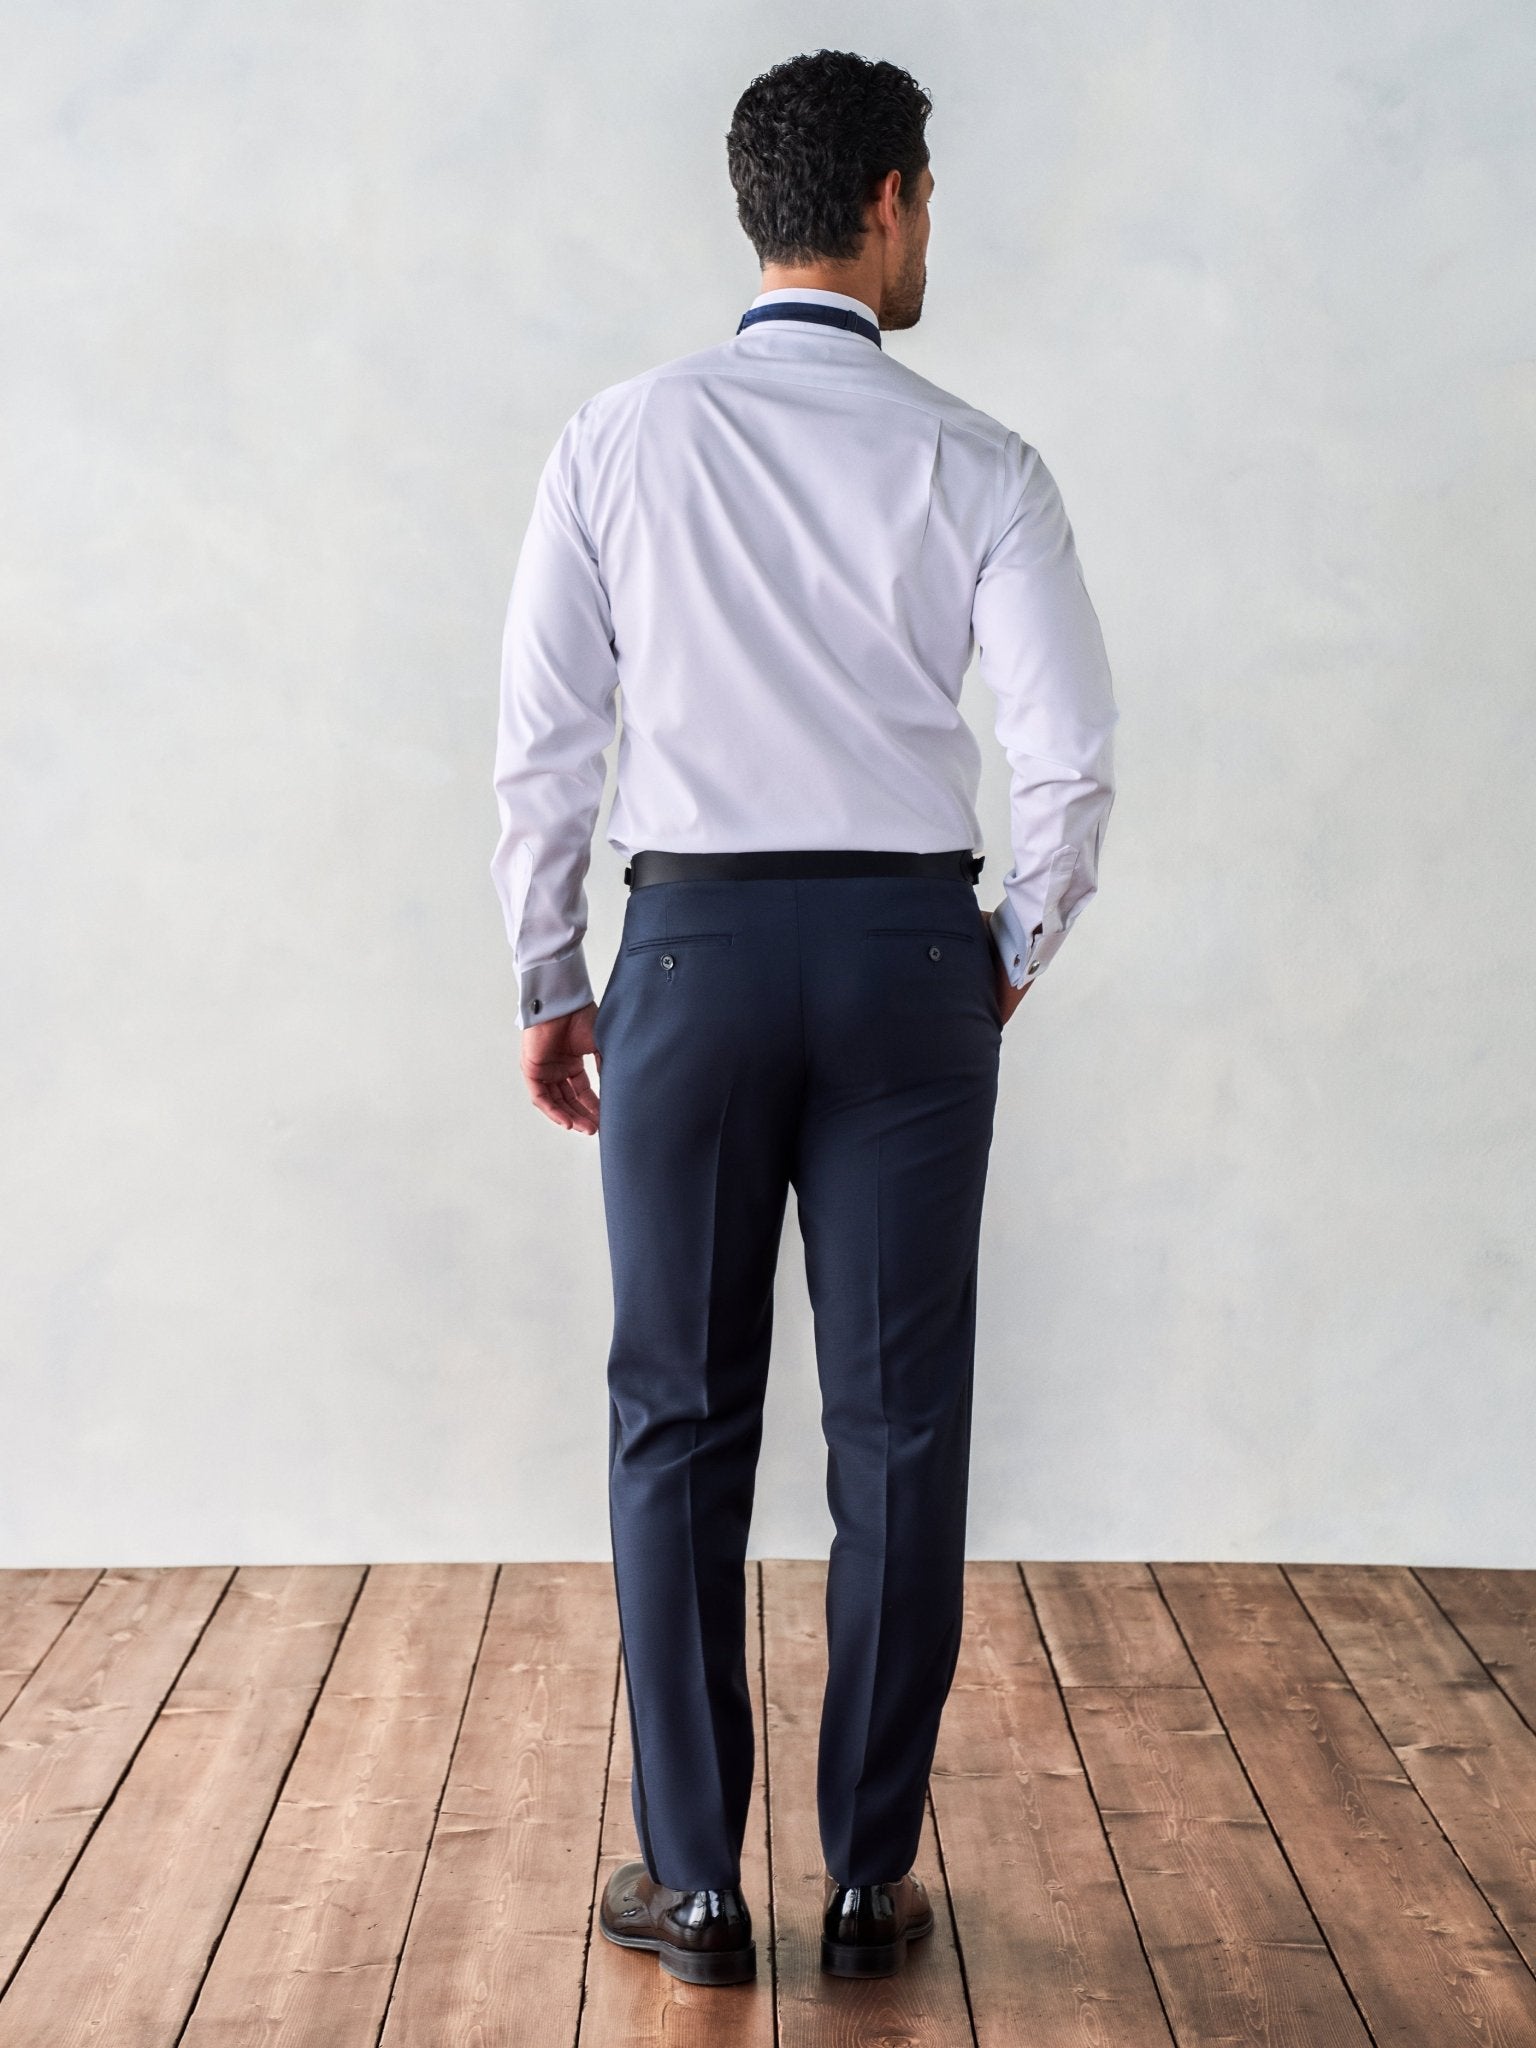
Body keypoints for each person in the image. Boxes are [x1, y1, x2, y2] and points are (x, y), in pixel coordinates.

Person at [489, 47, 1117, 1987]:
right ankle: (862, 1879)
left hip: (681, 954)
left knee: (676, 1416)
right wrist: (1005, 947)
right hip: (912, 963)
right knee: (899, 1426)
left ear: (756, 209)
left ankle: (693, 1883)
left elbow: (543, 745)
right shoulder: (980, 460)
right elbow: (1071, 764)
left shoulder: (615, 439)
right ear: (898, 201)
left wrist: (550, 974)